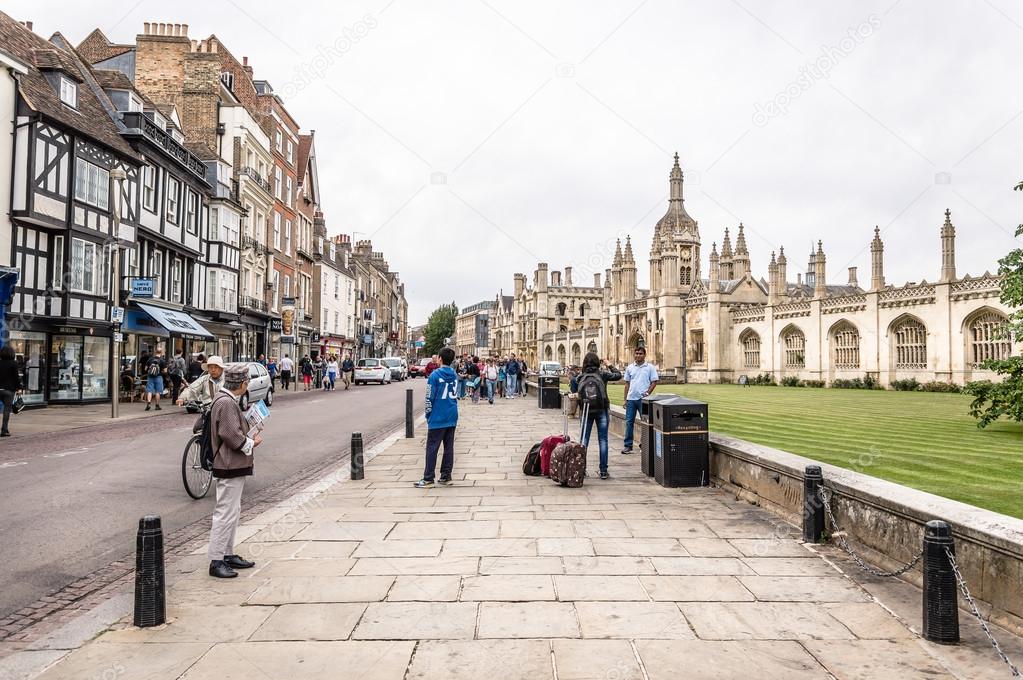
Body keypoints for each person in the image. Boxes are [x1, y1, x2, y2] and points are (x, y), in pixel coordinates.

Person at [207, 363, 262, 578]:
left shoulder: (224, 399)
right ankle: (216, 559)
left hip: (231, 463)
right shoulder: (227, 402)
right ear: (243, 383)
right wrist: (252, 443)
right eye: (247, 382)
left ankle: (227, 553)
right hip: (229, 463)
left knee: (232, 511)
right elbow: (230, 435)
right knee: (225, 512)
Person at [574, 352, 623, 480]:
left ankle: (581, 469)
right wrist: (609, 364)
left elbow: (575, 387)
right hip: (602, 409)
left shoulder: (581, 377)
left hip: (586, 410)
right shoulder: (602, 374)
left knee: (584, 440)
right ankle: (603, 471)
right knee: (603, 440)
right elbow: (618, 375)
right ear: (597, 363)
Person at [415, 347, 458, 488]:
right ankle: (446, 476)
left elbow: (429, 397)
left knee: (432, 448)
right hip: (452, 414)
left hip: (438, 416)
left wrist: (428, 415)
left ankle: (428, 478)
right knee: (448, 448)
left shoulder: (434, 375)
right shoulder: (454, 374)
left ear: (440, 358)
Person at [621, 346, 659, 454]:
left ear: (644, 355)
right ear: (634, 354)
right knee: (629, 423)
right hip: (631, 399)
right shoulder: (630, 368)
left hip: (644, 400)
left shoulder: (650, 367)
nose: (638, 355)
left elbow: (654, 382)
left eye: (640, 353)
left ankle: (644, 444)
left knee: (645, 423)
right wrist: (625, 399)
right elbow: (627, 384)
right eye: (636, 353)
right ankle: (628, 446)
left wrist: (647, 393)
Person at [0, 345, 23, 437]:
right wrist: (19, 388)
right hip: (9, 390)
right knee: (6, 410)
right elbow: (16, 378)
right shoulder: (13, 364)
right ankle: (4, 430)